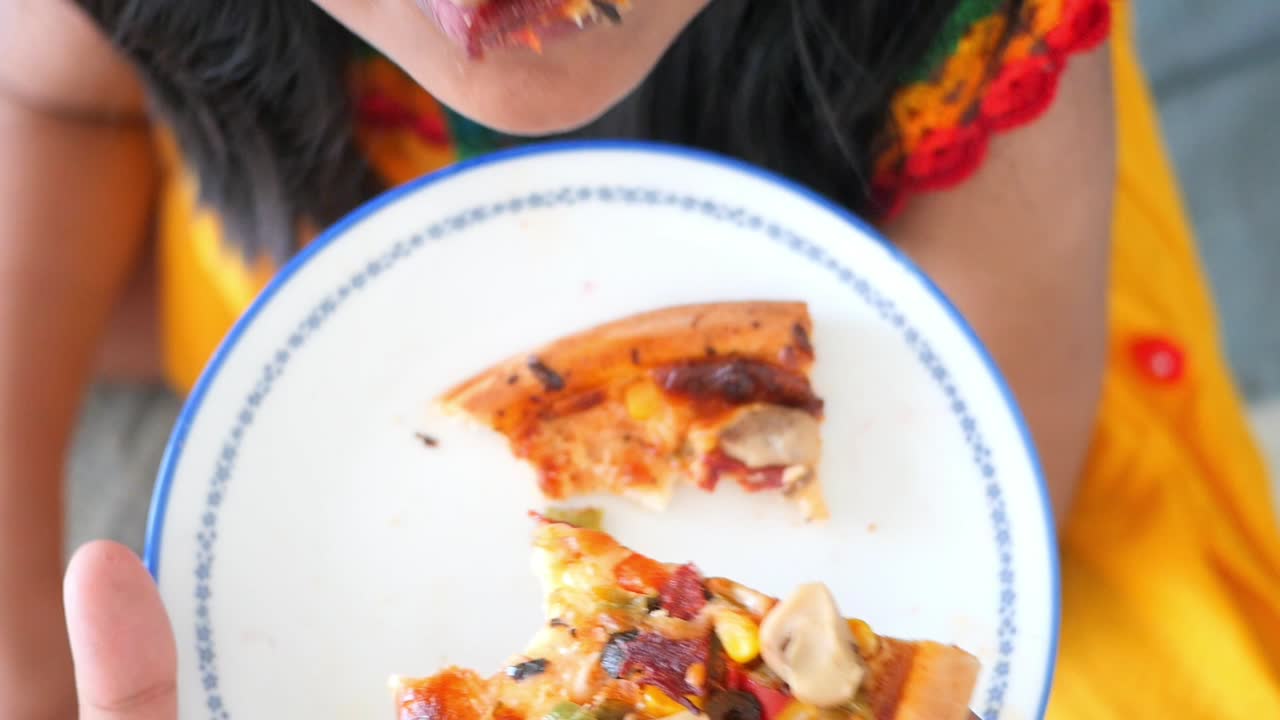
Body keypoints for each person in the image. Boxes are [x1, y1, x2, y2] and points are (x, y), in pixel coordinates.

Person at [2, 0, 1277, 716]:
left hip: (913, 236)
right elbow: (48, 105)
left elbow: (968, 497)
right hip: (302, 206)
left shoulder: (977, 33)